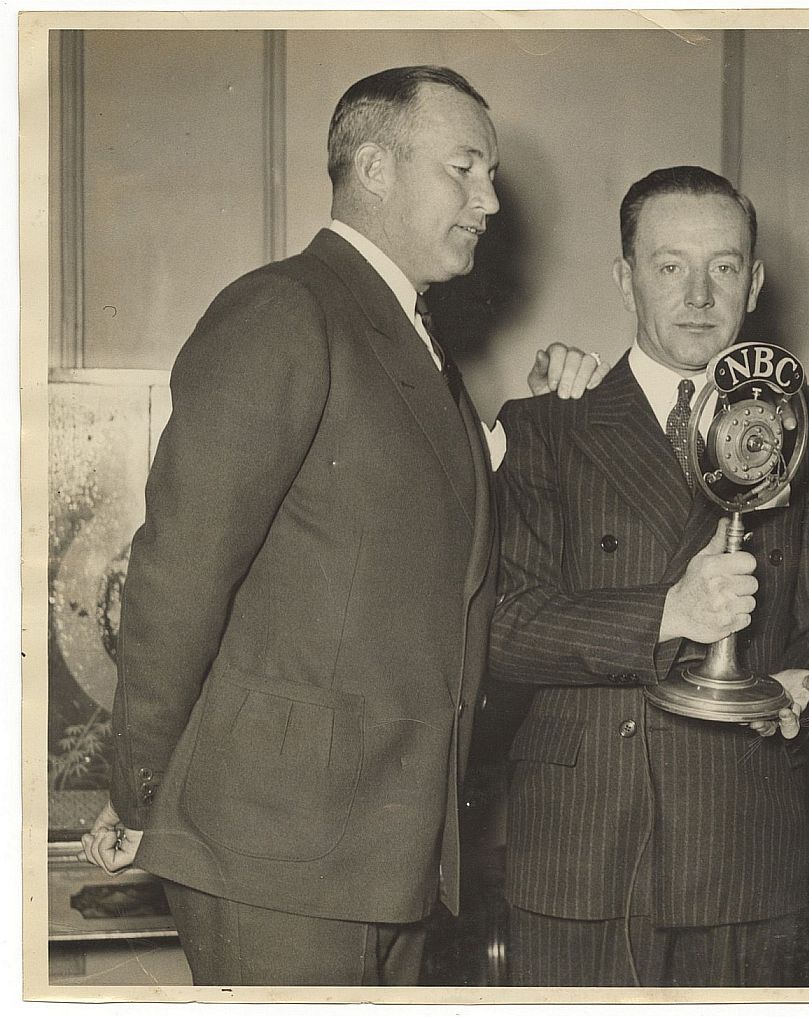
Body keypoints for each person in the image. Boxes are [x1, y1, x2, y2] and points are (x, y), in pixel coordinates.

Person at [78, 65, 607, 986]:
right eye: (465, 169)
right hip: (279, 848)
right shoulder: (286, 309)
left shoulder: (409, 335)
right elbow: (175, 573)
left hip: (384, 847)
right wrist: (143, 790)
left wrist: (537, 424)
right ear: (373, 168)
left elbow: (422, 544)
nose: (488, 200)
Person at [488, 165, 809, 987]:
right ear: (624, 279)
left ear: (754, 281)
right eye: (667, 266)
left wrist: (806, 682)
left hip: (742, 841)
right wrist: (670, 611)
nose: (697, 294)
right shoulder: (545, 423)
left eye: (723, 266)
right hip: (581, 850)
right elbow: (503, 627)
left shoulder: (802, 431)